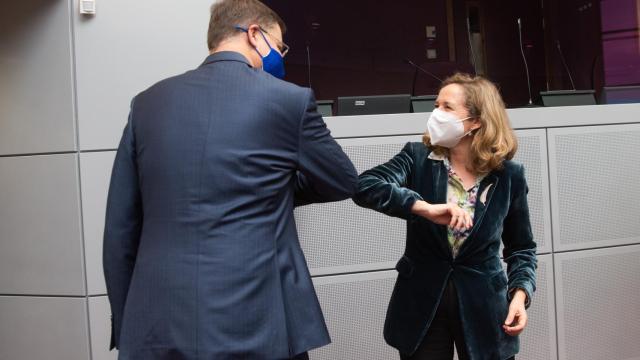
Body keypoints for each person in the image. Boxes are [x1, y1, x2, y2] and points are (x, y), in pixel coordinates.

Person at [102, 0, 358, 359]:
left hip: (157, 323)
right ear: (254, 34)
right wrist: (276, 188)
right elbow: (343, 179)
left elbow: (120, 228)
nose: (280, 56)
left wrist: (128, 322)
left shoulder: (147, 104)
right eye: (280, 46)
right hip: (256, 317)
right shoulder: (288, 101)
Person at [353, 73, 537, 360]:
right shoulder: (417, 157)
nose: (436, 114)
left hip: (485, 310)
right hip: (422, 306)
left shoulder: (509, 176)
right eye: (436, 105)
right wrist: (423, 207)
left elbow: (522, 248)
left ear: (476, 121)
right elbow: (364, 186)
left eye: (447, 107)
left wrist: (520, 295)